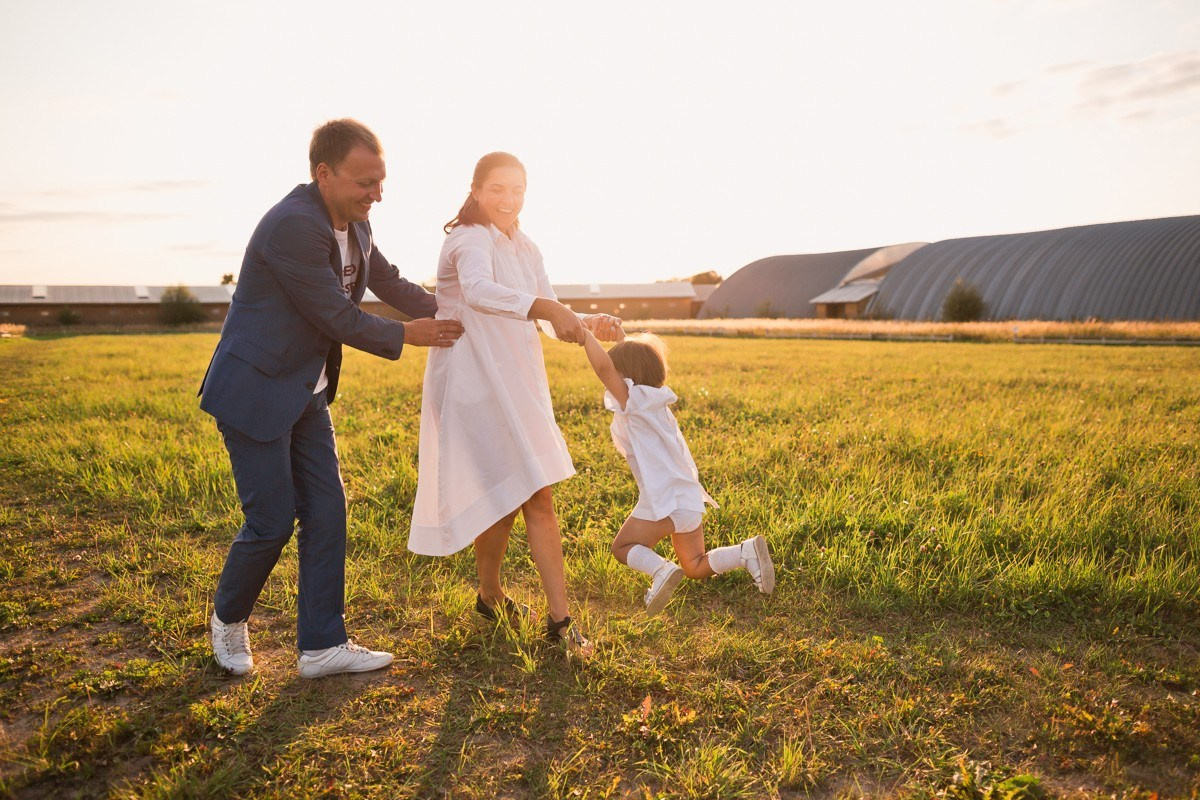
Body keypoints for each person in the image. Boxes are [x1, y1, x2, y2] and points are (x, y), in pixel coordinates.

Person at [198, 119, 464, 678]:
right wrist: (406, 335)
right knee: (270, 520)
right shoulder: (294, 226)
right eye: (365, 182)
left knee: (327, 513)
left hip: (308, 393)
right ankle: (228, 617)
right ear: (324, 173)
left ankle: (321, 646)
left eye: (381, 181)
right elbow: (333, 313)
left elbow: (390, 283)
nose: (377, 194)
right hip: (256, 391)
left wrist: (459, 313)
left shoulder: (356, 225)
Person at [407, 151, 620, 655]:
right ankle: (562, 623)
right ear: (477, 190)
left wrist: (587, 319)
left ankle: (489, 597)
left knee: (518, 493)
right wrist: (547, 306)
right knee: (527, 493)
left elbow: (545, 313)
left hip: (518, 382)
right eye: (498, 189)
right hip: (471, 387)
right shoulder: (466, 240)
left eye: (518, 189)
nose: (508, 199)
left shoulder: (526, 247)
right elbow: (481, 291)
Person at [581, 329, 775, 615]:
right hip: (688, 499)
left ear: (627, 378)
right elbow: (618, 366)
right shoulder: (656, 403)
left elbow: (602, 367)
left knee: (622, 546)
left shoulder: (633, 402)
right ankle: (744, 553)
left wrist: (584, 333)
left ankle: (660, 570)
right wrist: (623, 341)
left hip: (664, 500)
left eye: (616, 375)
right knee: (695, 564)